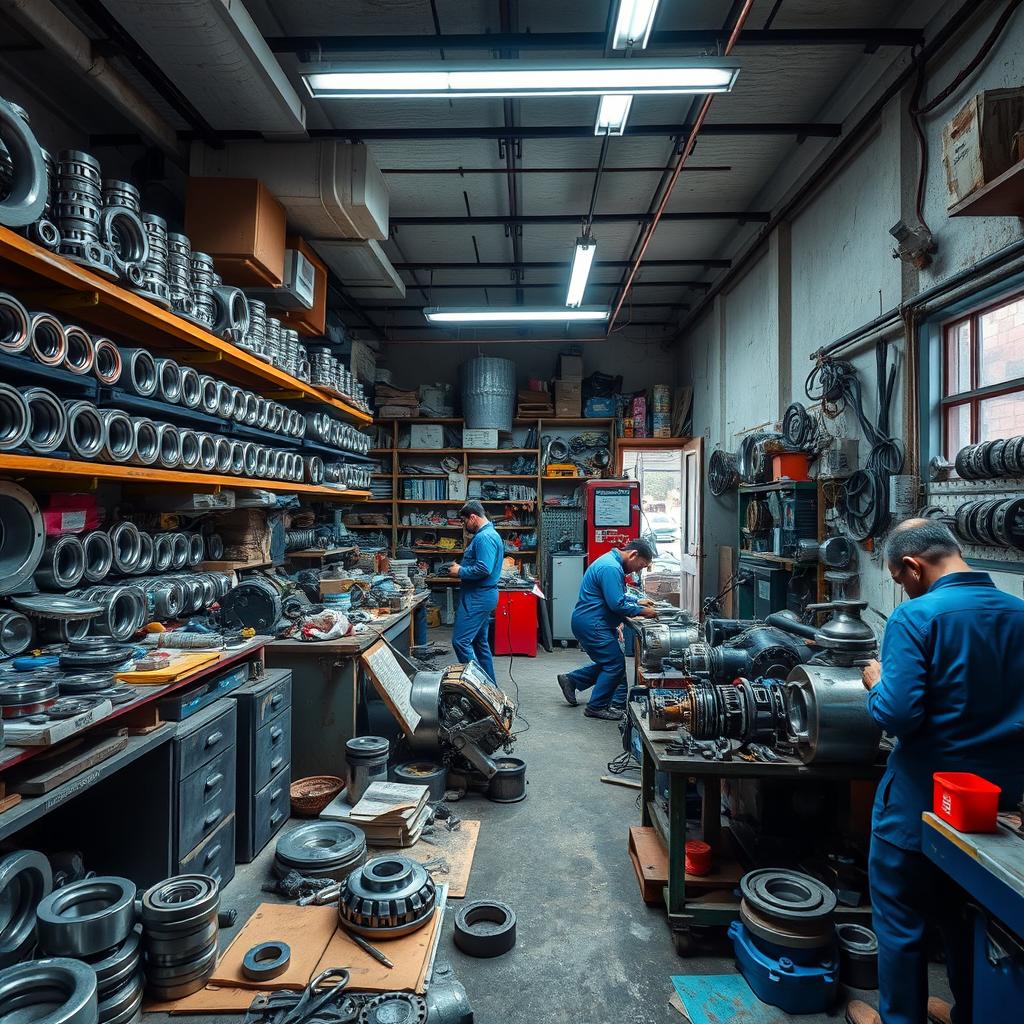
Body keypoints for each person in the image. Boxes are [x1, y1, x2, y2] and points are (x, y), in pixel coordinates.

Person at [846, 519, 1024, 1024]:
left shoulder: (917, 618)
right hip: (999, 806)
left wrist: (877, 682)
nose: (903, 589)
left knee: (901, 924)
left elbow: (898, 714)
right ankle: (971, 1013)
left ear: (911, 566)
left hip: (921, 798)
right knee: (974, 923)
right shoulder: (1019, 613)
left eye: (901, 580)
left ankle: (902, 1018)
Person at [556, 539, 658, 720]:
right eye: (640, 565)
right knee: (614, 664)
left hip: (592, 622)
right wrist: (643, 612)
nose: (637, 570)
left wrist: (636, 601)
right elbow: (616, 604)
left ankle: (572, 680)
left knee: (609, 663)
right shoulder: (611, 567)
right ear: (633, 554)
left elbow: (614, 595)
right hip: (593, 624)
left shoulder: (611, 563)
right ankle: (596, 706)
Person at [448, 499, 504, 682]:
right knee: (480, 644)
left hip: (478, 596)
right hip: (481, 594)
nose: (464, 525)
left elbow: (484, 568)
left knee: (461, 642)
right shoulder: (489, 534)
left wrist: (460, 571)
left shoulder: (484, 537)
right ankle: (491, 687)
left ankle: (479, 686)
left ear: (473, 517)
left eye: (464, 521)